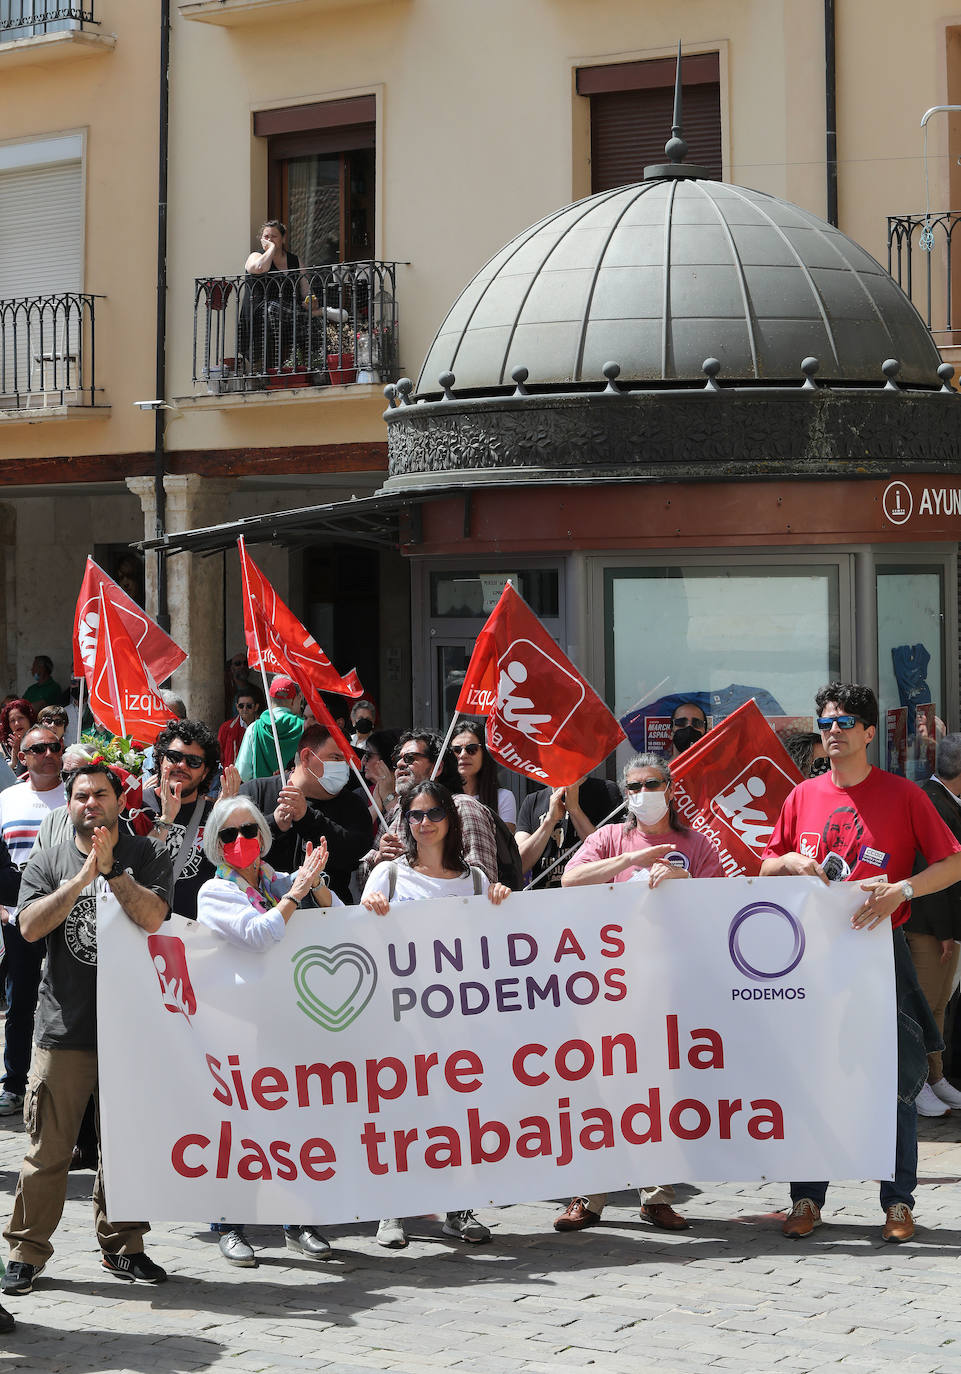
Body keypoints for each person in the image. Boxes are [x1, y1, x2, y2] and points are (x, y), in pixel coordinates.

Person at [760, 682, 961, 1244]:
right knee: (810, 1078)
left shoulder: (904, 795)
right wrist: (793, 861)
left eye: (845, 723)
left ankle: (898, 1204)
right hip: (811, 960)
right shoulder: (801, 796)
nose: (833, 732)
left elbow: (953, 862)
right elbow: (766, 864)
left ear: (870, 733)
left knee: (893, 1083)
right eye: (826, 723)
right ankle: (806, 1197)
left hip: (880, 955)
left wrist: (903, 890)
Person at [1, 761, 172, 1296]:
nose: (91, 803)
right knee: (48, 1149)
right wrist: (79, 878)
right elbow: (28, 928)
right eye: (81, 796)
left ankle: (124, 1247)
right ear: (68, 806)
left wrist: (113, 871)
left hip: (132, 1029)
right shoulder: (48, 861)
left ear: (120, 801)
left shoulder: (147, 855)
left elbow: (154, 918)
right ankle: (27, 1253)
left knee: (125, 1146)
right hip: (64, 1026)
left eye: (101, 794)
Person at [553, 753, 724, 1234]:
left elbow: (721, 904)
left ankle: (657, 1196)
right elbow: (570, 879)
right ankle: (589, 1196)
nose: (643, 793)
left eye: (652, 783)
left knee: (660, 1092)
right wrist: (628, 860)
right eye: (633, 786)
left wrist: (683, 880)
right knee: (601, 1088)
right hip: (609, 988)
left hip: (671, 987)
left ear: (671, 788)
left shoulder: (696, 844)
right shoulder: (610, 837)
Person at [361, 780, 510, 1248]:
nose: (424, 824)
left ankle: (459, 1210)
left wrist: (502, 904)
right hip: (403, 1021)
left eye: (433, 815)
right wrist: (369, 908)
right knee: (401, 1115)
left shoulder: (476, 880)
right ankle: (392, 1211)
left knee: (460, 1115)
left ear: (451, 819)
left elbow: (499, 941)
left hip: (460, 1022)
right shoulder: (387, 876)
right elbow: (360, 936)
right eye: (415, 816)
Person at [196, 796, 338, 1267]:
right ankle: (231, 1225)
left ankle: (298, 1223)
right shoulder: (216, 892)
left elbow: (335, 916)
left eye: (248, 832)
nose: (241, 842)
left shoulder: (278, 880)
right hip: (238, 1026)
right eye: (229, 836)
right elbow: (258, 935)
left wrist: (313, 884)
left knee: (294, 1123)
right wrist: (297, 893)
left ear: (262, 835)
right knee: (240, 1128)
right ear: (217, 846)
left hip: (289, 1021)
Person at [0, 727, 67, 1117]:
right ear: (22, 756)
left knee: (67, 1001)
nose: (48, 753)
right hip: (19, 917)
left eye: (54, 746)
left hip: (70, 916)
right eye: (38, 748)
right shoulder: (7, 799)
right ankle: (14, 1082)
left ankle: (63, 1087)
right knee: (21, 1002)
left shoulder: (78, 795)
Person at [240, 724, 370, 903]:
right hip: (262, 914)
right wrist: (272, 825)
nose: (343, 766)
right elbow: (230, 848)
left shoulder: (353, 805)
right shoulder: (254, 792)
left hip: (330, 917)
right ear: (307, 756)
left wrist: (307, 818)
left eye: (345, 760)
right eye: (335, 757)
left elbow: (354, 853)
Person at [904, 733, 961, 1118]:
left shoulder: (946, 799)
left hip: (943, 926)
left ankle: (936, 1077)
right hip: (927, 926)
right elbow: (931, 871)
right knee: (923, 1006)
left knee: (939, 1004)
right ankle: (919, 1082)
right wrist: (944, 933)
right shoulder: (932, 800)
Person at [358, 730, 498, 885]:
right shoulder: (397, 814)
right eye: (397, 759)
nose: (399, 764)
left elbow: (483, 880)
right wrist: (380, 859)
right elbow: (364, 882)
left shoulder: (463, 807)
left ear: (436, 768)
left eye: (409, 758)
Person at [137, 721, 222, 921]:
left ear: (205, 772)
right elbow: (134, 868)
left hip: (195, 935)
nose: (181, 765)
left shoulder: (215, 816)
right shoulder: (134, 807)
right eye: (174, 757)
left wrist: (227, 820)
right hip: (140, 930)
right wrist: (166, 820)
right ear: (160, 760)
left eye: (193, 761)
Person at [515, 774, 622, 889]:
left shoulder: (606, 790)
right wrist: (550, 821)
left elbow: (610, 855)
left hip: (591, 893)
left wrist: (575, 810)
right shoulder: (531, 801)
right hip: (544, 896)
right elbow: (518, 865)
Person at [235, 676, 305, 781]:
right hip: (295, 793)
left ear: (269, 698)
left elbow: (242, 773)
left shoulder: (254, 728)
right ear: (295, 699)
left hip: (262, 793)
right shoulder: (305, 727)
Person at [450, 721, 517, 829]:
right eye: (456, 750)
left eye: (471, 749)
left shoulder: (503, 797)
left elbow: (504, 844)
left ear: (485, 753)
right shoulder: (442, 797)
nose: (463, 755)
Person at [360, 728, 402, 841]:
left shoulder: (414, 795)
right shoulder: (359, 796)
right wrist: (376, 806)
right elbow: (356, 834)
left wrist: (388, 797)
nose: (363, 761)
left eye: (368, 755)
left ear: (389, 759)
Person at [218, 686, 264, 770]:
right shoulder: (226, 728)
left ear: (256, 707)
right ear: (236, 707)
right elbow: (220, 753)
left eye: (249, 706)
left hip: (256, 776)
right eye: (241, 706)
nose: (245, 709)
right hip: (232, 776)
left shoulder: (264, 728)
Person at [0, 700, 37, 777]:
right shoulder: (3, 746)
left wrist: (22, 749)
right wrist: (14, 759)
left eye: (20, 718)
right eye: (12, 720)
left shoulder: (40, 738)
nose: (17, 723)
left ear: (29, 719)